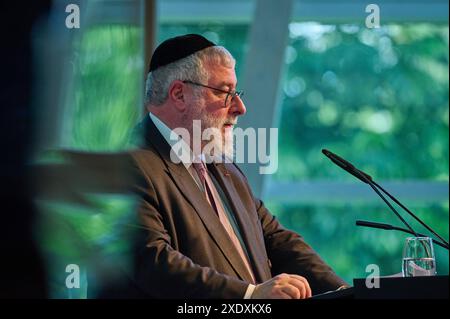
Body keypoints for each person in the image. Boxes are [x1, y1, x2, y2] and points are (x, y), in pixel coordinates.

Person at [130, 34, 347, 299]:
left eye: (236, 93)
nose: (239, 107)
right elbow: (152, 262)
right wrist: (249, 296)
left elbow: (276, 239)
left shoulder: (224, 167)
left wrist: (343, 291)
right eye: (224, 92)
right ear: (179, 94)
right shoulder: (125, 164)